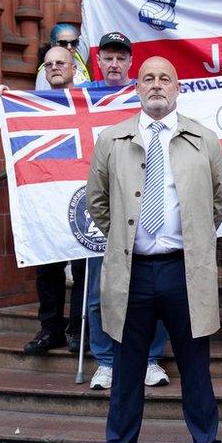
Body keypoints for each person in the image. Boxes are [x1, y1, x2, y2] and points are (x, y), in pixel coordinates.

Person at [87, 56, 222, 443]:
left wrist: (193, 236)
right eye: (147, 78)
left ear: (178, 87)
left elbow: (218, 202)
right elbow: (98, 203)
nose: (156, 85)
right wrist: (126, 237)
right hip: (131, 273)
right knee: (127, 369)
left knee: (195, 369)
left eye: (165, 78)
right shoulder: (111, 140)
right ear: (136, 87)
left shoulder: (204, 140)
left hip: (184, 270)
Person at [78, 31, 172, 391]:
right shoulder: (80, 96)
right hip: (111, 214)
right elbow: (45, 99)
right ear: (97, 62)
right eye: (108, 57)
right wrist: (5, 95)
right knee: (102, 292)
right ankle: (105, 361)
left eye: (121, 58)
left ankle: (149, 359)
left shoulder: (147, 92)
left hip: (152, 210)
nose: (115, 63)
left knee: (155, 292)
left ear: (130, 63)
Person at [0, 47, 87, 355]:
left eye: (61, 63)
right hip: (47, 194)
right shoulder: (35, 103)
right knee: (48, 266)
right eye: (49, 65)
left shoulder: (88, 100)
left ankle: (77, 330)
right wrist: (4, 95)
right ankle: (50, 329)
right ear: (44, 72)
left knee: (84, 267)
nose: (55, 68)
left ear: (74, 68)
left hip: (81, 194)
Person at [35, 23, 90, 89]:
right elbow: (43, 97)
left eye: (74, 43)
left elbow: (88, 32)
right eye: (63, 43)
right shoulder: (47, 70)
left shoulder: (78, 55)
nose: (69, 47)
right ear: (53, 45)